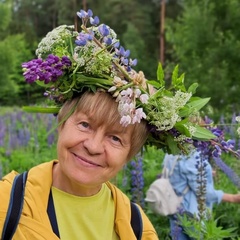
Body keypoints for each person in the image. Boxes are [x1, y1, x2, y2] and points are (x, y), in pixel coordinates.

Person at [0, 8, 215, 240]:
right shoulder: (8, 203)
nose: (93, 146)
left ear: (129, 155)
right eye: (85, 125)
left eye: (115, 138)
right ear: (62, 122)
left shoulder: (137, 226)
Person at [163, 150, 240, 240]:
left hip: (174, 209)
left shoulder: (171, 151)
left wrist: (206, 172)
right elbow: (204, 192)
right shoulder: (191, 155)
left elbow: (180, 173)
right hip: (191, 214)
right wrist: (233, 198)